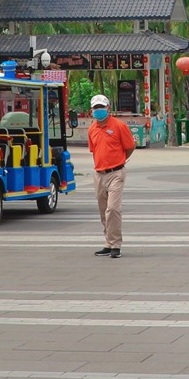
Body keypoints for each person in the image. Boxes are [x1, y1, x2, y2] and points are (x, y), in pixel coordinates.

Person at [86, 93, 135, 259]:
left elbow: (129, 147)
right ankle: (108, 242)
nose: (99, 110)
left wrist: (120, 161)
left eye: (101, 107)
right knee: (103, 210)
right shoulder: (92, 129)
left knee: (113, 209)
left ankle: (116, 245)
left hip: (116, 172)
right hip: (99, 174)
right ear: (92, 110)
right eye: (96, 108)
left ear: (108, 108)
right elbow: (94, 150)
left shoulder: (119, 126)